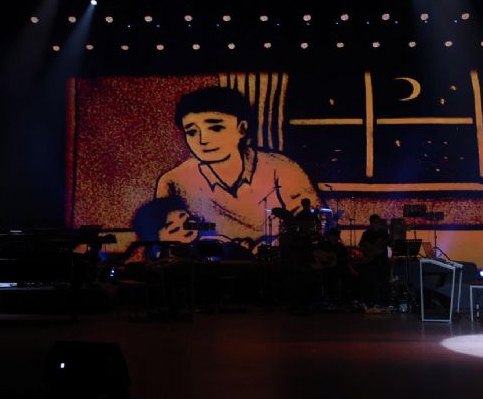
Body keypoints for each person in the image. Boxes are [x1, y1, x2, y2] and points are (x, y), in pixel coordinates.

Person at [155, 86, 319, 244]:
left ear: (242, 129)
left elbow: (314, 224)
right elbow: (162, 238)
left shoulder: (282, 168)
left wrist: (275, 243)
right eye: (192, 132)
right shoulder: (174, 181)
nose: (202, 140)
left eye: (215, 128)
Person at [358, 214, 391, 306]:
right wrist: (368, 249)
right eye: (375, 222)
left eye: (378, 222)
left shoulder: (384, 233)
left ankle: (385, 301)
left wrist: (393, 241)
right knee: (372, 281)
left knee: (385, 281)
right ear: (371, 223)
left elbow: (390, 243)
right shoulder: (366, 234)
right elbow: (361, 245)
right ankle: (373, 301)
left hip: (383, 260)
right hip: (371, 261)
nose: (377, 224)